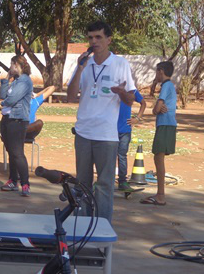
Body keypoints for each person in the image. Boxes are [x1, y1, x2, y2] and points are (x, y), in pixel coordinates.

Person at [67, 20, 137, 221]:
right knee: (82, 184)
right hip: (83, 133)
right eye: (90, 37)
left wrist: (122, 93)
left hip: (106, 135)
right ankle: (83, 226)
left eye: (98, 37)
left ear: (109, 39)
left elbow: (130, 99)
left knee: (105, 185)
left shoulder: (120, 64)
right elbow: (71, 97)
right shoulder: (83, 63)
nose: (94, 41)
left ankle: (103, 227)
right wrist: (80, 69)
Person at [141, 61, 177, 206]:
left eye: (157, 72)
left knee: (158, 157)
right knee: (158, 157)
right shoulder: (169, 86)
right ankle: (159, 194)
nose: (156, 75)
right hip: (166, 125)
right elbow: (159, 107)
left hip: (165, 125)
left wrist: (157, 108)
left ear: (161, 71)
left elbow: (156, 109)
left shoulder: (166, 86)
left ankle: (160, 195)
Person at [0, 56, 34, 196]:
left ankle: (25, 183)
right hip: (7, 118)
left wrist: (2, 104)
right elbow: (2, 95)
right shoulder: (15, 81)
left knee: (17, 152)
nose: (10, 67)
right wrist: (6, 79)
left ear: (17, 65)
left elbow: (11, 100)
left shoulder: (25, 80)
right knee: (11, 151)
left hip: (17, 120)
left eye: (11, 64)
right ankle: (13, 180)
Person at [117, 89, 147, 192]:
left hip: (125, 130)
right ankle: (102, 180)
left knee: (122, 155)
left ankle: (122, 181)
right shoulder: (113, 88)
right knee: (108, 156)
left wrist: (137, 118)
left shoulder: (132, 90)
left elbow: (143, 103)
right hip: (110, 130)